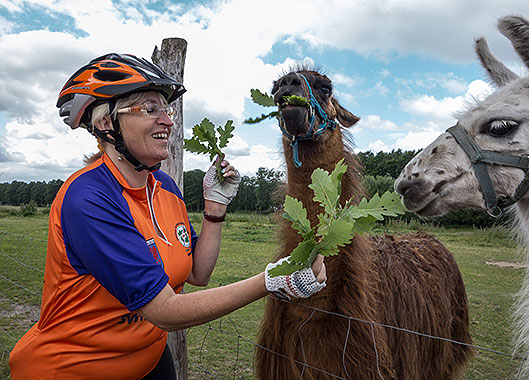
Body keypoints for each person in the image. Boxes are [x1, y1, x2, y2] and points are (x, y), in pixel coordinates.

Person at [9, 53, 327, 380]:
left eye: (167, 109)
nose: (168, 120)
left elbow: (198, 273)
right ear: (106, 124)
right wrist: (270, 281)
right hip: (74, 368)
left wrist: (214, 210)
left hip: (148, 360)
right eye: (150, 109)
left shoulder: (165, 187)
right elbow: (163, 311)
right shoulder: (89, 198)